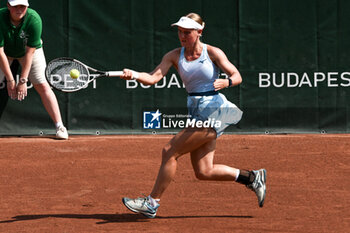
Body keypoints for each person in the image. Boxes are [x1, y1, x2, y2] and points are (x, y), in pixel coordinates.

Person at [120, 13, 266, 218]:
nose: (182, 35)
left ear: (199, 32)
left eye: (187, 32)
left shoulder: (213, 52)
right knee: (204, 171)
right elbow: (153, 78)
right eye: (180, 31)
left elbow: (237, 76)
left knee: (170, 150)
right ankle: (252, 178)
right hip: (197, 111)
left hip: (217, 110)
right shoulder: (173, 55)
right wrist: (134, 74)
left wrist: (227, 82)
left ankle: (151, 203)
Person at [0, 0, 68, 139]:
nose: (19, 10)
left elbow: (29, 53)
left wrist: (23, 80)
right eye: (15, 6)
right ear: (8, 6)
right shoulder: (0, 18)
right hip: (5, 52)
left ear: (27, 7)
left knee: (43, 85)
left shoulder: (34, 19)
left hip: (29, 52)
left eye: (22, 6)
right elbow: (0, 51)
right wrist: (10, 79)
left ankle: (60, 126)